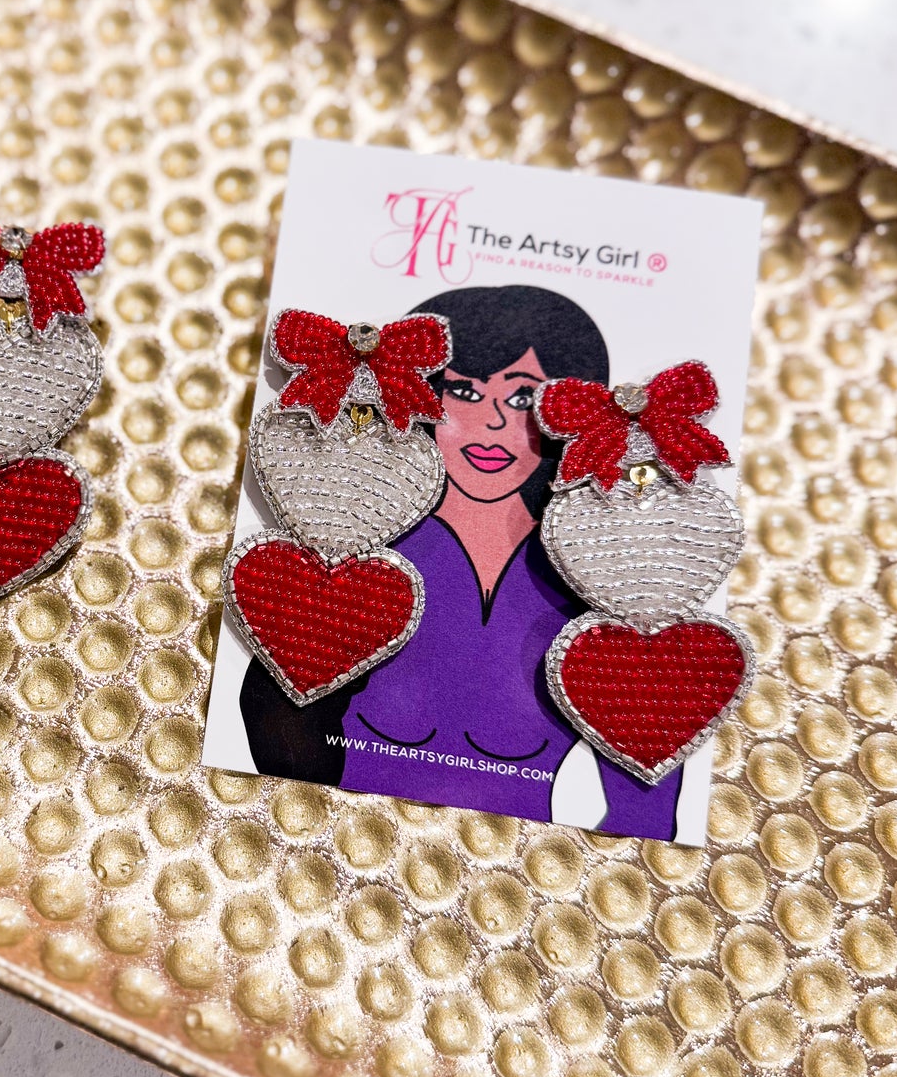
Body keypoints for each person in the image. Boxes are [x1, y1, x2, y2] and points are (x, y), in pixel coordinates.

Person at [238, 284, 683, 838]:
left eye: (521, 399)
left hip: (521, 865)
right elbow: (275, 713)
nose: (492, 422)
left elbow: (645, 782)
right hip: (337, 840)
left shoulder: (589, 581)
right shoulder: (364, 561)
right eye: (465, 392)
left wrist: (601, 859)